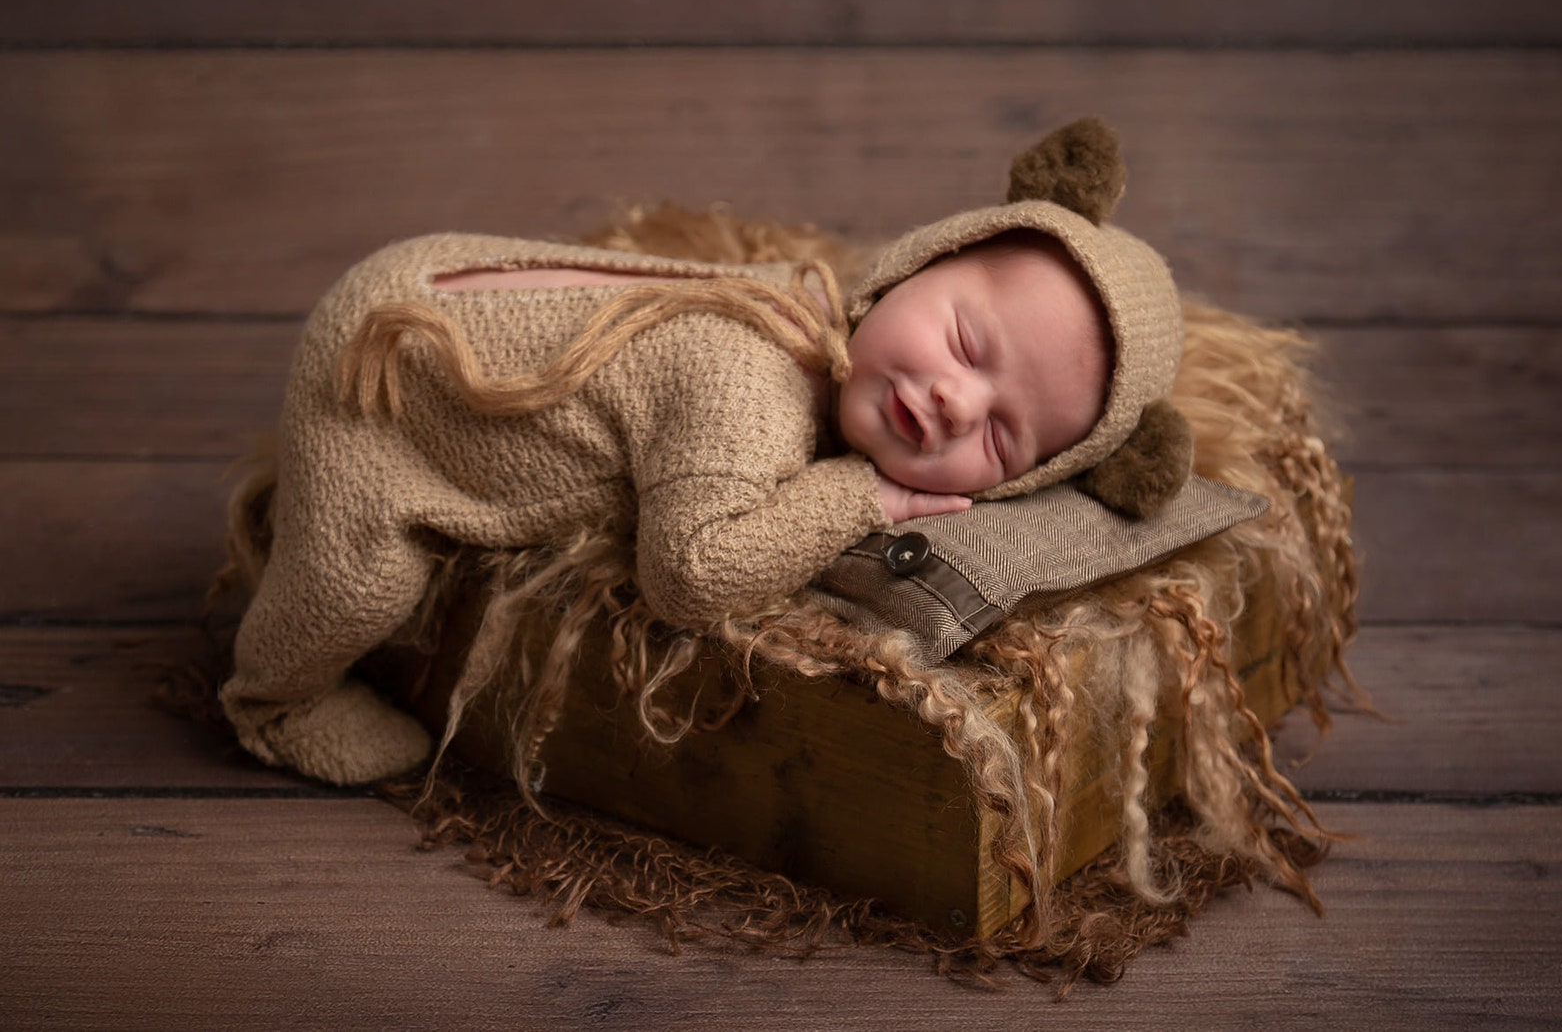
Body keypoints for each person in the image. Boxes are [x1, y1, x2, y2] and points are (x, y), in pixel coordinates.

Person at [219, 118, 1188, 785]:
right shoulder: (751, 385)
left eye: (999, 435)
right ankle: (272, 704)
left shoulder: (807, 312)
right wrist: (856, 498)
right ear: (910, 269)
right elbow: (688, 573)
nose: (949, 401)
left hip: (443, 286)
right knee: (359, 576)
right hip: (390, 368)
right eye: (968, 346)